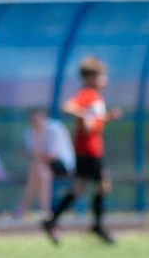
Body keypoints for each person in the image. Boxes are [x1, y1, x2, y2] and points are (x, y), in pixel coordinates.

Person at [44, 56, 120, 245]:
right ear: (90, 78)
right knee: (102, 185)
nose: (105, 80)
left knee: (80, 187)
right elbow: (67, 107)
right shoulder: (87, 94)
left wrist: (107, 117)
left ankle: (53, 220)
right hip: (89, 150)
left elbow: (94, 121)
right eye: (101, 76)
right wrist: (85, 114)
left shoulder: (96, 97)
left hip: (89, 150)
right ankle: (97, 225)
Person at [16, 106, 71, 220]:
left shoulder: (55, 129)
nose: (35, 122)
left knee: (37, 169)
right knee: (42, 172)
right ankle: (45, 211)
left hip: (63, 164)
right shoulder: (30, 132)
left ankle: (25, 205)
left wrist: (34, 153)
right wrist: (37, 136)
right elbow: (36, 155)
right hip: (42, 166)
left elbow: (52, 156)